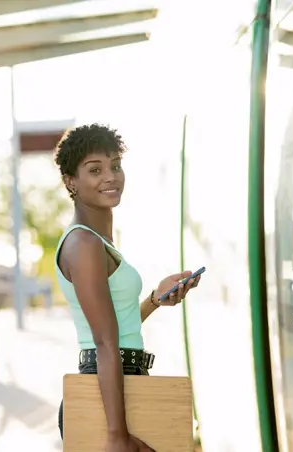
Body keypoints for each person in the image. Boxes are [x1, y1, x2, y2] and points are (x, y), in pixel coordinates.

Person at [54, 124, 201, 451]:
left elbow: (117, 328)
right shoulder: (83, 244)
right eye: (95, 170)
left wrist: (155, 299)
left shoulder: (99, 243)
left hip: (121, 384)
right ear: (71, 182)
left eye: (115, 166)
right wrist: (117, 437)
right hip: (106, 397)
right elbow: (105, 342)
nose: (111, 176)